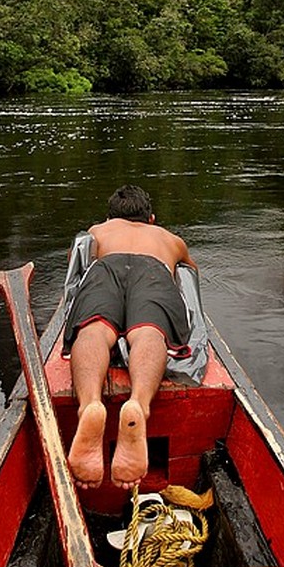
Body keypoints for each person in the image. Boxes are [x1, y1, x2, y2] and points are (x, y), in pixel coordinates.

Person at [64, 185, 197, 491]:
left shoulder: (99, 230)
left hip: (106, 267)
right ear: (151, 218)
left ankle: (90, 407)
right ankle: (138, 404)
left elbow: (76, 263)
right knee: (149, 332)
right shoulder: (169, 238)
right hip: (154, 270)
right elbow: (190, 273)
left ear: (110, 217)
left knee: (95, 329)